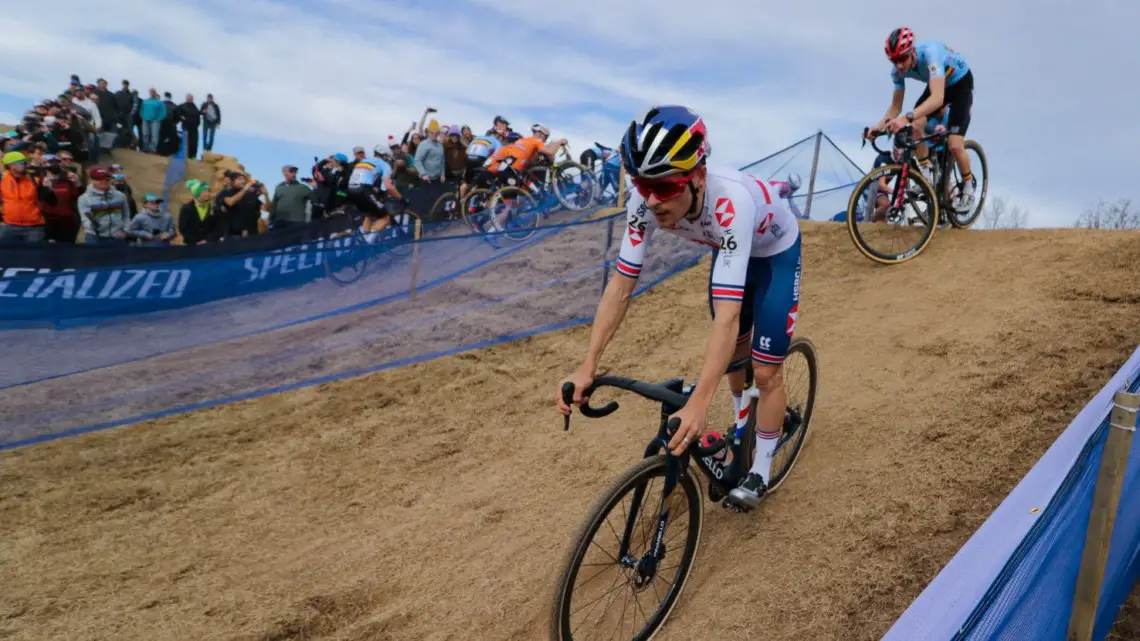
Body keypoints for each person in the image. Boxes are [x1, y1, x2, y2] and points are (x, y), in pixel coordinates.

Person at [555, 106, 802, 511]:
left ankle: (760, 466)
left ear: (698, 176)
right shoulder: (643, 201)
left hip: (774, 254)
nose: (651, 200)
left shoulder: (731, 203)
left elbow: (727, 316)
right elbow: (619, 288)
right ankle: (741, 428)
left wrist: (699, 404)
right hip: (728, 251)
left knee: (765, 369)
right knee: (735, 359)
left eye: (665, 187)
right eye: (640, 184)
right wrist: (588, 365)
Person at [870, 26, 975, 210]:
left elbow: (937, 99)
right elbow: (895, 107)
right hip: (938, 85)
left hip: (959, 84)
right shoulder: (896, 72)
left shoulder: (931, 54)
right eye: (894, 61)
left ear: (911, 51)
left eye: (902, 59)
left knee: (955, 145)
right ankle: (925, 180)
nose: (899, 66)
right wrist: (877, 127)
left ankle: (968, 186)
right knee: (916, 126)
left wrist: (905, 118)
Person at [345, 145, 405, 234]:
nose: (388, 159)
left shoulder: (364, 161)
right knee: (385, 217)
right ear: (384, 156)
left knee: (370, 215)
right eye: (387, 157)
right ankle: (370, 243)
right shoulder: (384, 165)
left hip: (351, 190)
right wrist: (401, 198)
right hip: (363, 189)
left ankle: (365, 238)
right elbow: (389, 187)